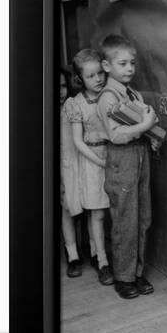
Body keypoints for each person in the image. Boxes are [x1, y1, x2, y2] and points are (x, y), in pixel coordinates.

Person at [97, 35, 158, 300]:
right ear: (107, 66)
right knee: (124, 220)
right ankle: (123, 276)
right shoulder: (107, 98)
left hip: (140, 156)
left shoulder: (133, 93)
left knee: (143, 217)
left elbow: (138, 130)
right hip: (122, 159)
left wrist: (150, 138)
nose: (130, 68)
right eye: (122, 63)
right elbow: (117, 135)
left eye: (132, 63)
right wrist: (144, 126)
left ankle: (137, 272)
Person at [67, 49, 114, 286]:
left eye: (99, 73)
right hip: (91, 159)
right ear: (80, 79)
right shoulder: (76, 104)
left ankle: (104, 252)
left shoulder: (111, 95)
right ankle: (103, 262)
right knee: (97, 212)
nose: (98, 79)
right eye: (90, 76)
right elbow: (77, 140)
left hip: (113, 155)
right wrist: (98, 161)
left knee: (112, 211)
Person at [60, 68, 84, 278]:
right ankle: (72, 255)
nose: (59, 91)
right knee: (67, 210)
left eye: (63, 86)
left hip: (80, 162)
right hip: (63, 168)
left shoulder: (72, 105)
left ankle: (96, 253)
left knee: (90, 208)